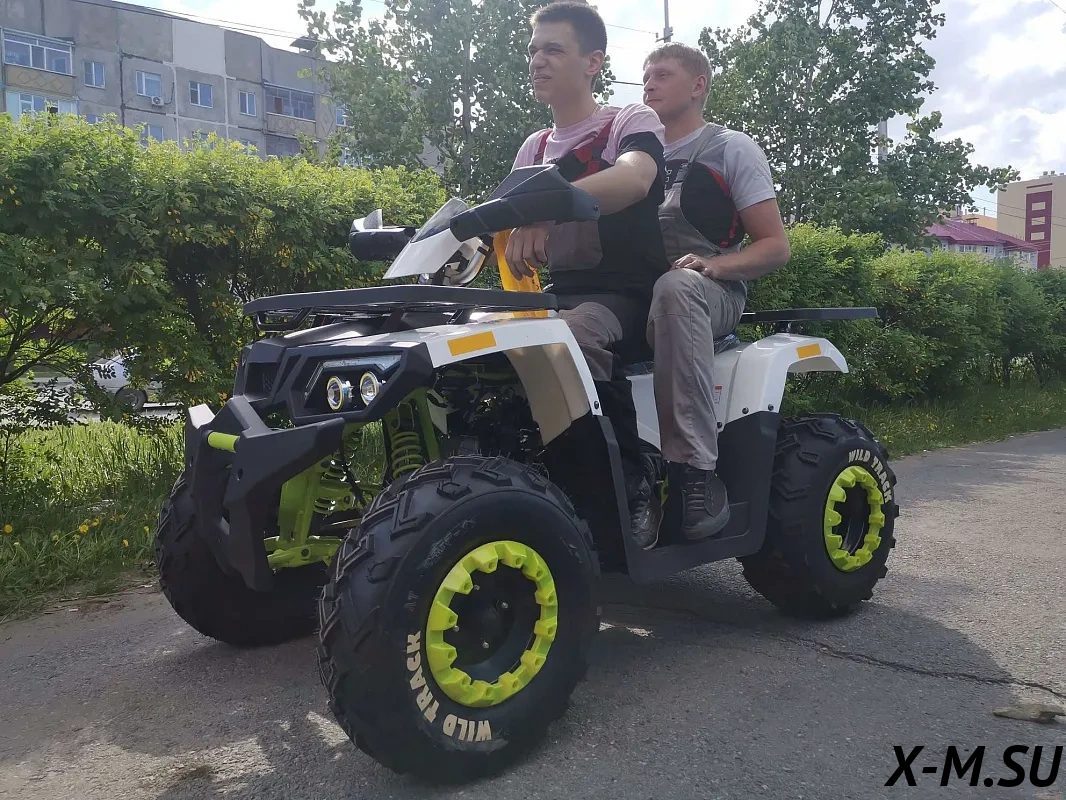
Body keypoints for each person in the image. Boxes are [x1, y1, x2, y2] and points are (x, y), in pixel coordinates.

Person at [505, 1, 671, 548]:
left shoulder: (628, 122)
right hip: (558, 297)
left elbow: (634, 179)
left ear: (593, 61)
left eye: (554, 49)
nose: (538, 60)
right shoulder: (532, 148)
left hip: (628, 296)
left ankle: (633, 485)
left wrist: (543, 208)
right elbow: (500, 223)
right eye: (534, 50)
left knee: (573, 338)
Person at [641, 42, 792, 542]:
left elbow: (775, 247)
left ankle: (695, 476)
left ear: (698, 85)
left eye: (663, 74)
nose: (649, 83)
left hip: (710, 294)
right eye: (646, 76)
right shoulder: (632, 154)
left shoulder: (730, 148)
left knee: (677, 287)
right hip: (638, 294)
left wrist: (715, 265)